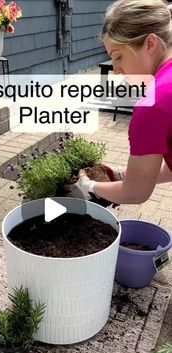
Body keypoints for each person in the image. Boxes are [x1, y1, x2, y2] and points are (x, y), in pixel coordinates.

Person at [72, 0, 172, 204]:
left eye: (118, 57)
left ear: (150, 44)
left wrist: (89, 187)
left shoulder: (153, 105)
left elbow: (135, 193)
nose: (116, 69)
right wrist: (122, 173)